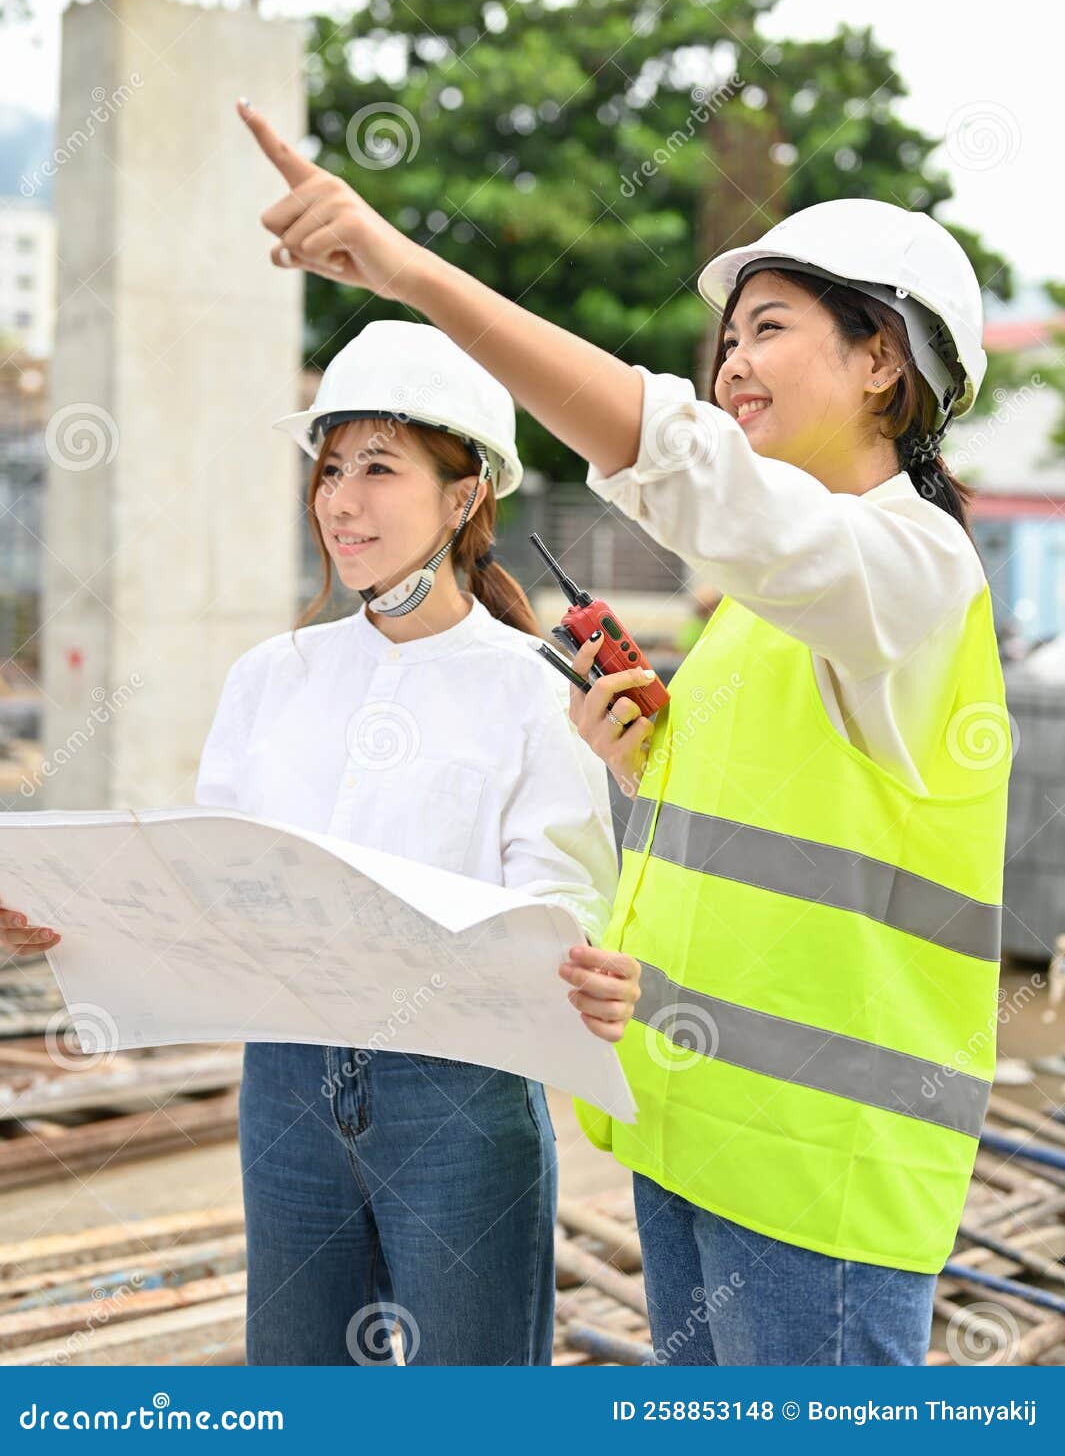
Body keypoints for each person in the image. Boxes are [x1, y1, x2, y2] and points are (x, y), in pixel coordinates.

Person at [233, 97, 1011, 1367]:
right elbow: (773, 855)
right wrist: (645, 786)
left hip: (826, 1178)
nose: (731, 365)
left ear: (885, 361)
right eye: (726, 339)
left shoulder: (913, 570)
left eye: (770, 328)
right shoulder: (765, 618)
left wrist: (417, 274)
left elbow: (685, 463)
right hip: (697, 1138)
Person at [2, 318, 619, 1368]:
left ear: (466, 493)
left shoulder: (532, 688)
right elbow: (208, 887)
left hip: (461, 1092)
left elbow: (563, 899)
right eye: (331, 468)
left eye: (379, 467)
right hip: (285, 1088)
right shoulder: (271, 677)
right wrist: (78, 924)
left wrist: (587, 965)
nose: (342, 499)